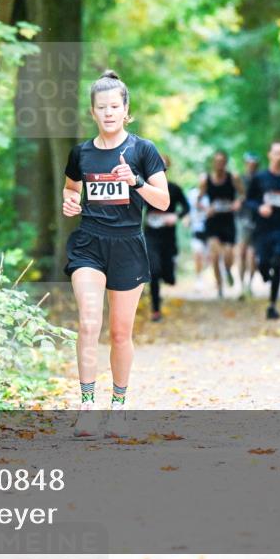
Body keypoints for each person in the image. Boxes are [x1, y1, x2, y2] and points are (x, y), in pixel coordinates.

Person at [62, 70, 170, 438]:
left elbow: (163, 200)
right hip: (89, 244)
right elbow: (71, 189)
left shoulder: (143, 150)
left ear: (126, 110)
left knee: (120, 333)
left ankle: (119, 406)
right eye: (101, 107)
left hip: (127, 245)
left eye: (114, 106)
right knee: (89, 323)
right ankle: (87, 406)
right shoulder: (81, 153)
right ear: (92, 112)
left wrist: (136, 182)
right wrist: (70, 203)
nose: (108, 113)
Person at [244, 142, 280, 320]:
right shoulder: (260, 178)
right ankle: (264, 274)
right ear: (270, 155)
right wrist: (260, 208)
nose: (279, 157)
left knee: (277, 262)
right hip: (263, 228)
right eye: (276, 153)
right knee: (263, 263)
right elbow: (248, 201)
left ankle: (272, 304)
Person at [144, 156, 190, 322]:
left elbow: (186, 207)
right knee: (154, 271)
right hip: (150, 236)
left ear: (166, 169)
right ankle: (155, 310)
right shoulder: (145, 187)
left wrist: (176, 216)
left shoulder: (174, 189)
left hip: (168, 238)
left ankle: (170, 271)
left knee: (168, 277)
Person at [198, 150, 244, 299]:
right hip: (213, 222)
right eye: (217, 161)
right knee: (215, 256)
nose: (219, 164)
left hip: (228, 221)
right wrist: (206, 208)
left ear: (225, 163)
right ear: (213, 163)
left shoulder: (233, 178)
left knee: (229, 254)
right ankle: (219, 287)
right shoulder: (206, 180)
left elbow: (243, 194)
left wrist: (237, 203)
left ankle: (229, 270)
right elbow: (198, 200)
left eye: (222, 162)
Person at [236, 152, 260, 299]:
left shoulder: (261, 180)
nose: (251, 166)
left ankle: (249, 285)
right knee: (242, 253)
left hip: (257, 220)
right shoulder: (240, 179)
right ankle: (242, 286)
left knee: (253, 255)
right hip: (242, 219)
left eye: (254, 164)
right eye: (249, 163)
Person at [188, 186, 209, 291]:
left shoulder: (210, 194)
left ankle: (217, 277)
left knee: (209, 258)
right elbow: (187, 208)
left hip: (210, 231)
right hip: (196, 230)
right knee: (197, 254)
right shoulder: (192, 194)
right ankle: (199, 278)